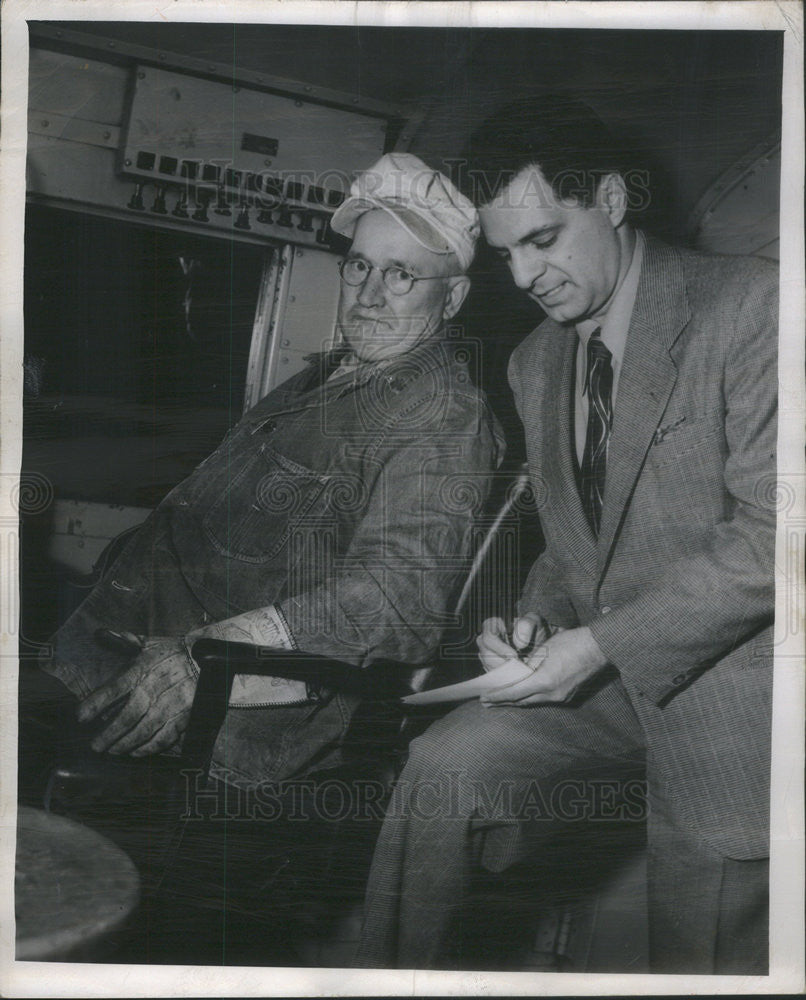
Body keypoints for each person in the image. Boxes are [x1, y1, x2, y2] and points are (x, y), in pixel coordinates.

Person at [356, 100, 777, 974]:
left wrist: (596, 645)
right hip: (611, 679)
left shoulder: (753, 308)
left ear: (614, 201)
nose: (525, 276)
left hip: (745, 693)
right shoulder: (536, 362)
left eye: (544, 239)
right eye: (506, 252)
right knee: (442, 775)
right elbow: (576, 536)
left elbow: (779, 538)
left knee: (696, 953)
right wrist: (534, 622)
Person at [28, 152, 503, 791]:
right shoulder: (330, 374)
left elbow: (399, 604)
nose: (366, 294)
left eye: (400, 276)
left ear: (455, 298)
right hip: (118, 640)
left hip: (207, 723)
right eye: (359, 265)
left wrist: (206, 661)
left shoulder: (444, 417)